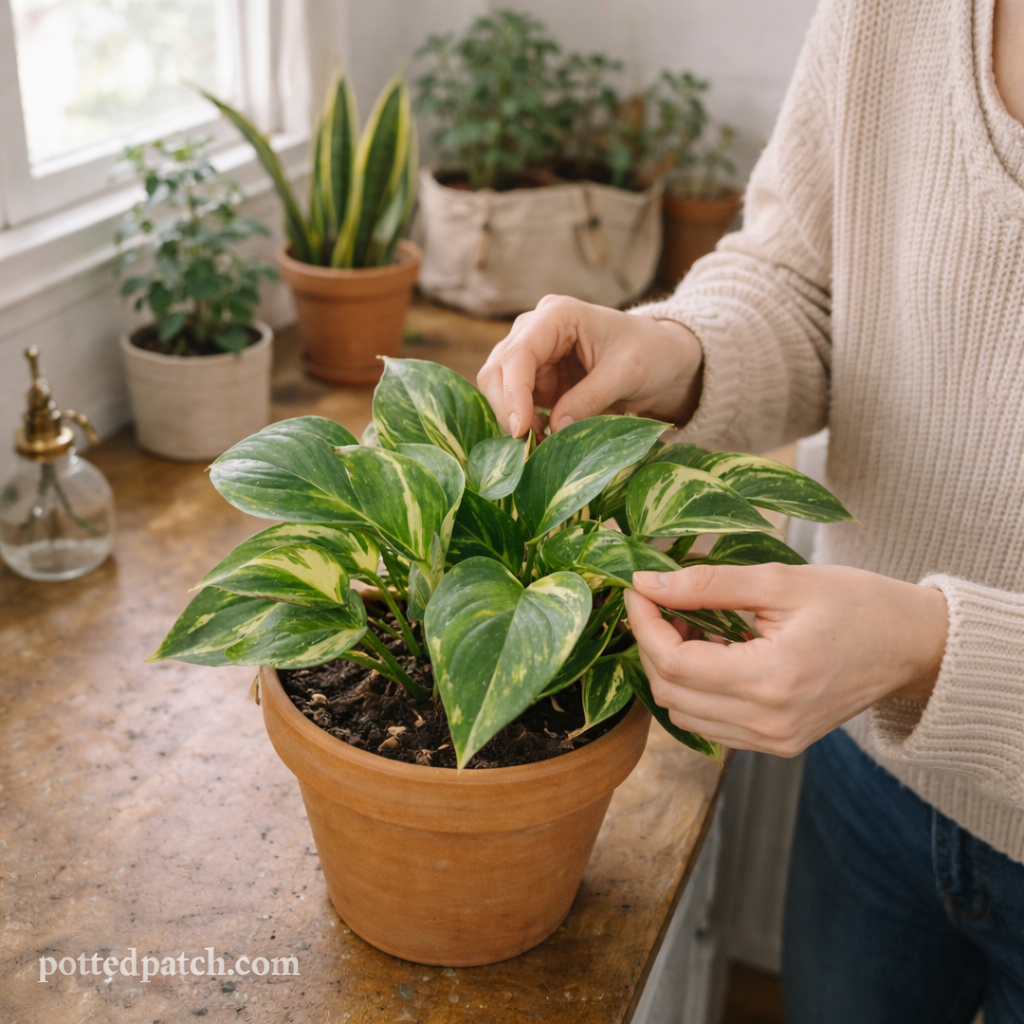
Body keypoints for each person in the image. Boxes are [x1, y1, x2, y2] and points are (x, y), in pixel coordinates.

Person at [477, 0, 1024, 1019]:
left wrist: (935, 650)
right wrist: (680, 355)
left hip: (887, 677)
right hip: (867, 758)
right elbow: (807, 281)